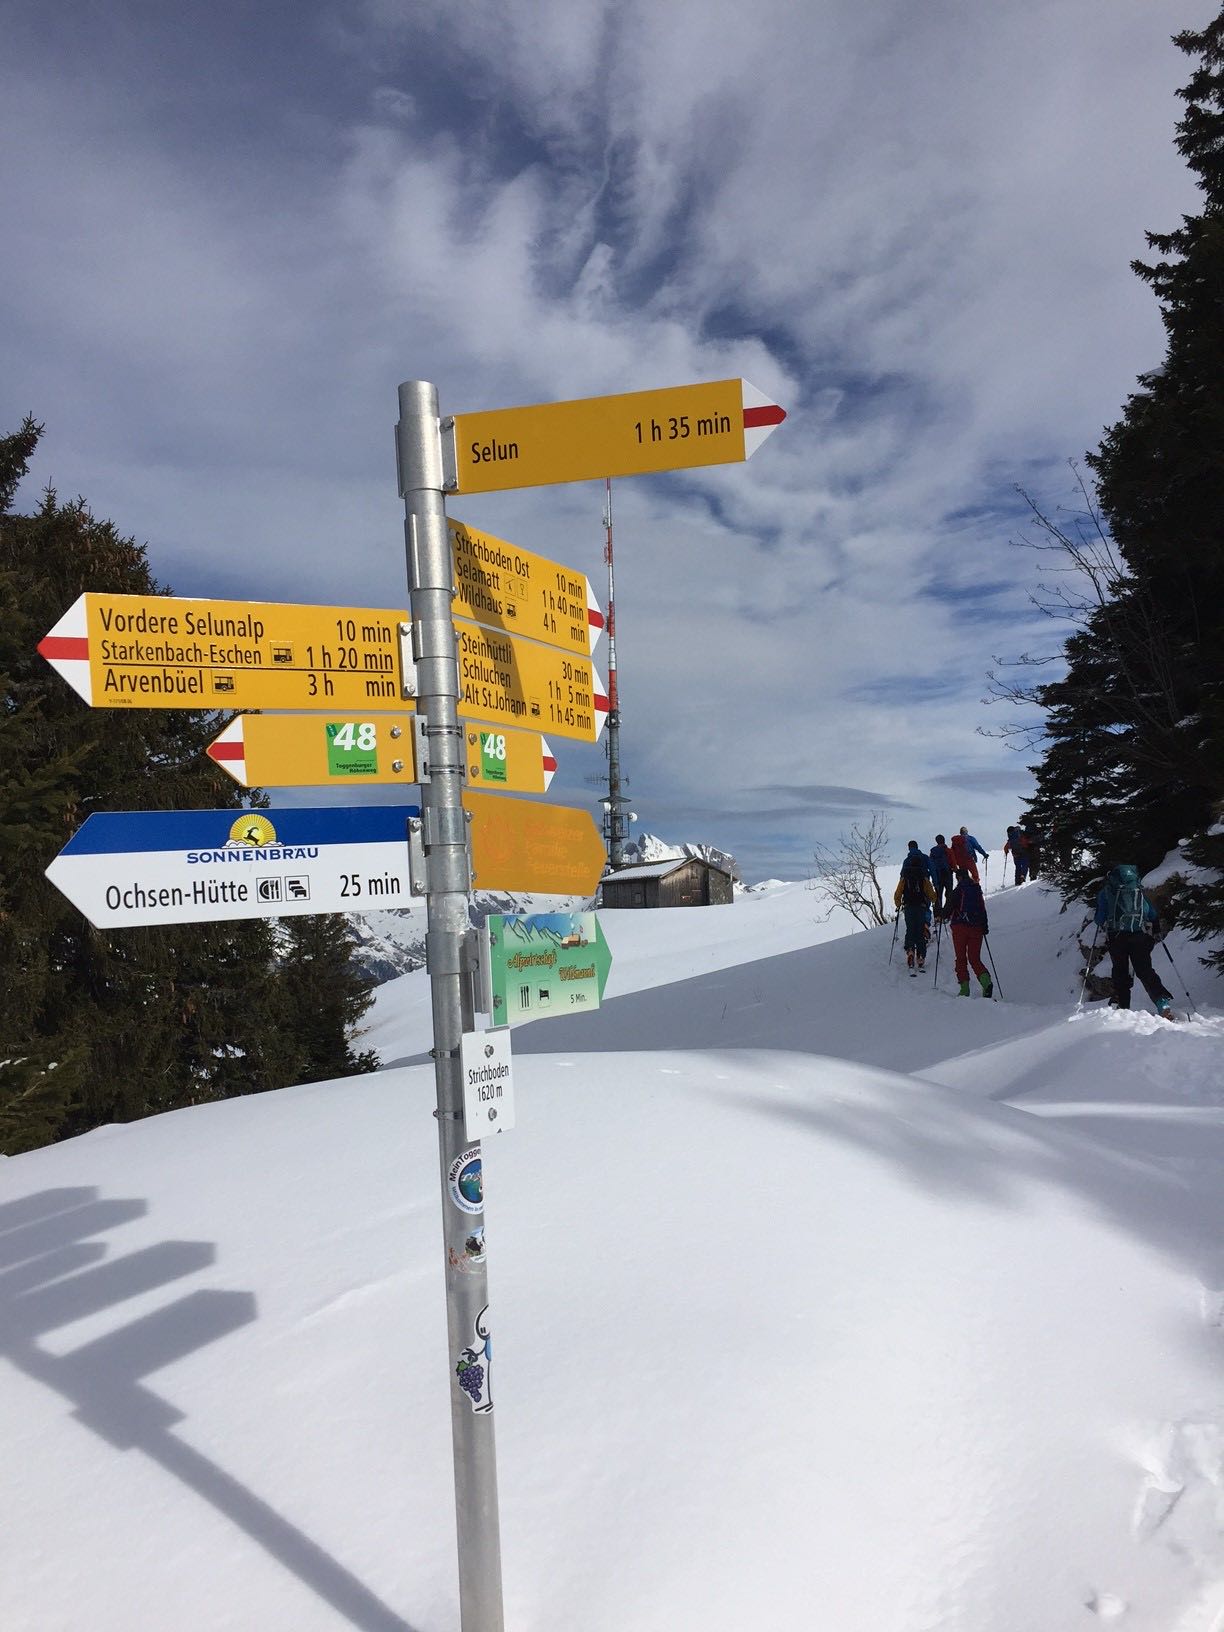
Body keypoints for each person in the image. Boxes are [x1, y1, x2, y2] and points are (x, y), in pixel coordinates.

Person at [1093, 864, 1174, 1018]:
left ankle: (1123, 1007)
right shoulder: (1137, 890)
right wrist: (1156, 929)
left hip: (1117, 937)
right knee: (1145, 970)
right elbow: (1151, 913)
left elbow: (1099, 919)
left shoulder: (1107, 892)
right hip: (1139, 936)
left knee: (1120, 971)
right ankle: (1162, 1002)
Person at [893, 841, 936, 974]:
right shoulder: (923, 876)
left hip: (908, 907)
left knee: (910, 929)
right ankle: (921, 956)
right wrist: (934, 900)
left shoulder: (905, 875)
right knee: (920, 930)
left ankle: (910, 950)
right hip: (921, 907)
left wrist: (898, 904)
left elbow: (898, 892)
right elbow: (930, 892)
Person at [948, 871, 992, 997]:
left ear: (958, 878)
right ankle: (986, 982)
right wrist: (984, 927)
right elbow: (983, 909)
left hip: (959, 928)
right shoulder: (977, 890)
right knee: (974, 958)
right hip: (977, 929)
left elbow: (948, 909)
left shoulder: (958, 890)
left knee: (961, 958)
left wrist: (941, 915)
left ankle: (964, 989)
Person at [928, 834, 954, 917]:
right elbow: (953, 862)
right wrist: (955, 870)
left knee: (938, 895)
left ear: (937, 841)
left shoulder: (933, 852)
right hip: (947, 874)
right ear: (944, 840)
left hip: (938, 876)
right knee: (949, 894)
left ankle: (937, 915)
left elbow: (931, 864)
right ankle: (947, 913)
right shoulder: (948, 850)